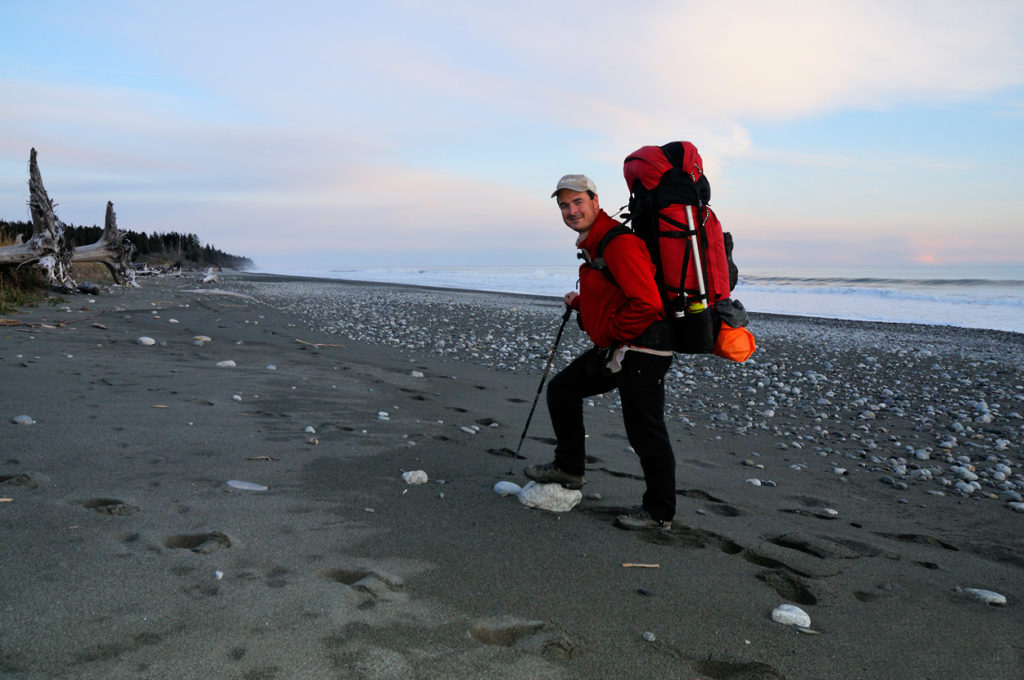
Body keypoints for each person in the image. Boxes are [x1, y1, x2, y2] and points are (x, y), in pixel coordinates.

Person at [525, 174, 677, 530]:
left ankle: (659, 513)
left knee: (645, 431)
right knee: (562, 389)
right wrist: (583, 302)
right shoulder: (595, 243)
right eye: (564, 205)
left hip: (644, 350)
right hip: (622, 346)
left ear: (595, 200)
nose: (571, 210)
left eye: (577, 202)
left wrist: (610, 332)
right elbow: (616, 291)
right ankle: (569, 469)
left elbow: (647, 303)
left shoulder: (618, 243)